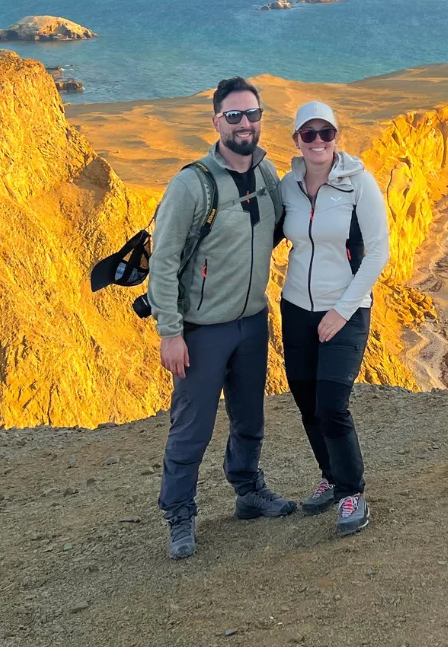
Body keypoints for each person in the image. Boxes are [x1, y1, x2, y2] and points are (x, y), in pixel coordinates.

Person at [148, 76, 296, 560]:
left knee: (249, 418)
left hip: (253, 321)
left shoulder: (267, 173)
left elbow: (283, 225)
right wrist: (171, 333)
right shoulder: (192, 184)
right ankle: (179, 515)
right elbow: (163, 262)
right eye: (234, 116)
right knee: (192, 426)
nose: (245, 124)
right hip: (203, 330)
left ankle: (248, 490)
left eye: (252, 114)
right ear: (217, 122)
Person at [278, 100, 390, 536]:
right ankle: (330, 475)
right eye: (310, 134)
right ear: (297, 141)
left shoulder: (359, 183)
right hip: (295, 308)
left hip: (345, 309)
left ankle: (352, 493)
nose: (319, 141)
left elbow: (378, 251)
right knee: (307, 405)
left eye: (327, 133)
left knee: (331, 406)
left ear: (336, 137)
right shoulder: (288, 186)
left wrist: (341, 311)